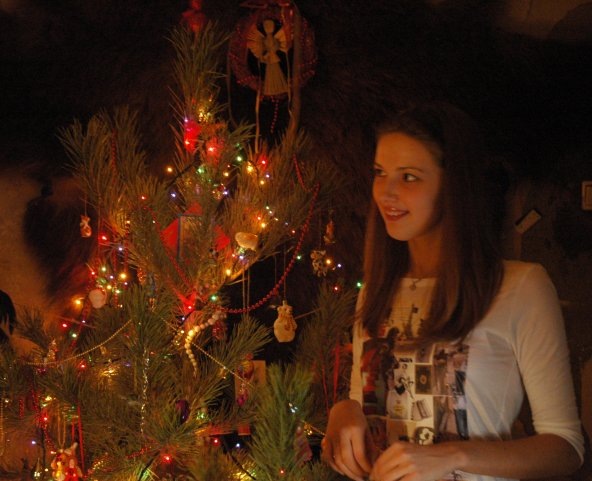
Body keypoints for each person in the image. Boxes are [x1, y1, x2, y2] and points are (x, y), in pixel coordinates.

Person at [321, 102, 584, 481]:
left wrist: (452, 455)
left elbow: (566, 448)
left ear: (453, 186)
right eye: (380, 173)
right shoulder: (376, 291)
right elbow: (368, 403)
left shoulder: (520, 287)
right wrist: (345, 410)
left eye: (409, 177)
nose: (386, 192)